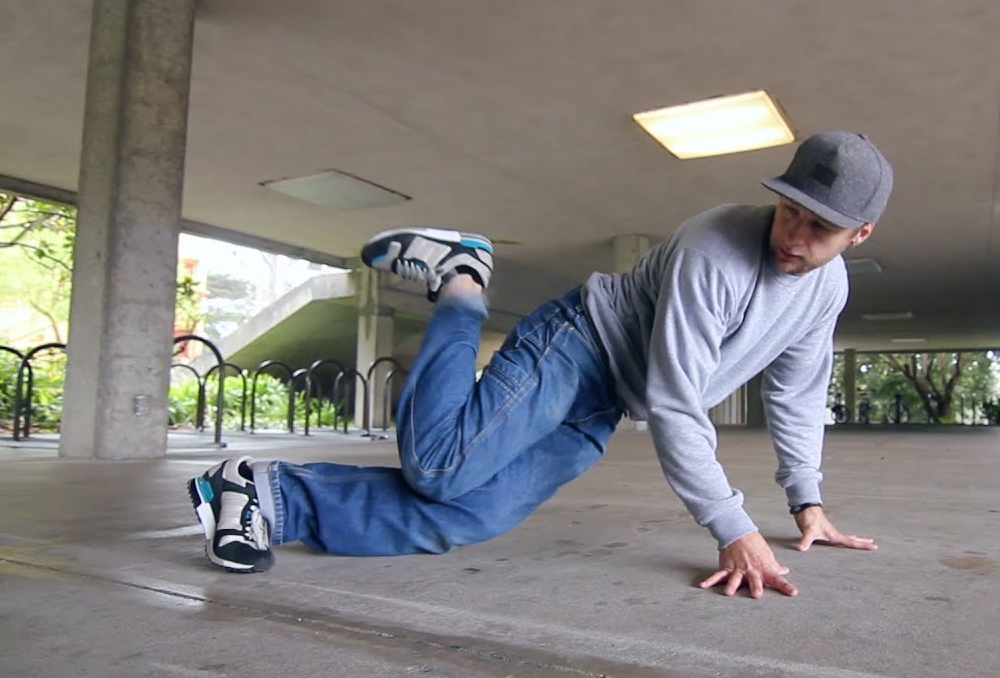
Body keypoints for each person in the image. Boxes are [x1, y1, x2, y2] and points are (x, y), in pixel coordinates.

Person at [187, 130, 891, 598]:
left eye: (820, 227)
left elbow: (798, 392)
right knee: (441, 467)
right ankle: (461, 283)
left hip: (607, 401)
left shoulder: (826, 290)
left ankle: (263, 496)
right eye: (789, 211)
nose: (794, 235)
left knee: (470, 515)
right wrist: (732, 527)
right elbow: (678, 401)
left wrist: (807, 501)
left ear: (859, 234)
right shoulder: (715, 250)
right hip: (578, 343)